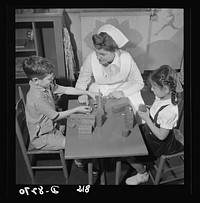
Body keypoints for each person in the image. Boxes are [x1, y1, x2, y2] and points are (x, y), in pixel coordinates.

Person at [74, 24, 146, 171]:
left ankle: (128, 149)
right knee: (93, 116)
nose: (98, 57)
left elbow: (139, 82)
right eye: (96, 52)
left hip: (123, 89)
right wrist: (82, 92)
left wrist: (123, 93)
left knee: (133, 117)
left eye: (103, 54)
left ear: (115, 50)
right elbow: (82, 80)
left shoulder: (126, 58)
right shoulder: (91, 59)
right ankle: (91, 151)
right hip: (100, 89)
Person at [22, 55, 97, 151]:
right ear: (36, 80)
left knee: (77, 129)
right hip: (43, 136)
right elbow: (56, 116)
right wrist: (76, 109)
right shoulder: (38, 98)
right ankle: (79, 164)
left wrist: (87, 92)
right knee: (73, 145)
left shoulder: (45, 85)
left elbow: (66, 89)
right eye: (49, 79)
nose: (52, 81)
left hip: (52, 125)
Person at [125, 65, 184, 185]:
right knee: (130, 136)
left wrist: (147, 119)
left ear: (166, 89)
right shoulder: (161, 96)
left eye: (155, 87)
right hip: (151, 131)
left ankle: (142, 174)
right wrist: (149, 109)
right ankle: (140, 161)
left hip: (160, 142)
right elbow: (157, 111)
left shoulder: (170, 111)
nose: (152, 89)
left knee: (129, 153)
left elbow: (161, 136)